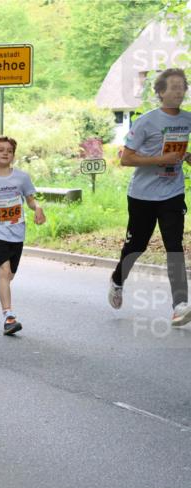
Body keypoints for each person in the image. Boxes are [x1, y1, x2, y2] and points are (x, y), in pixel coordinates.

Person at [109, 67, 191, 326]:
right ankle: (117, 280)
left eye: (183, 87)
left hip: (173, 193)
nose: (179, 91)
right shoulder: (146, 120)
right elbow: (126, 158)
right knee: (136, 246)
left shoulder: (188, 119)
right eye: (174, 87)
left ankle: (180, 305)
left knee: (174, 246)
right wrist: (160, 159)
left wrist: (185, 157)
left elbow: (180, 151)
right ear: (160, 92)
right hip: (143, 196)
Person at [0, 136, 45, 335]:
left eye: (9, 150)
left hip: (16, 232)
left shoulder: (22, 178)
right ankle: (8, 316)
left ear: (13, 156)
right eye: (1, 150)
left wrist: (38, 208)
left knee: (10, 275)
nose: (5, 153)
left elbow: (31, 200)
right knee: (4, 272)